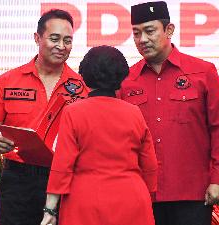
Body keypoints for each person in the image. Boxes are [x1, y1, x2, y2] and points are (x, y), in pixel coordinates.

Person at [119, 1, 219, 225]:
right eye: (136, 33)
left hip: (192, 193)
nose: (142, 40)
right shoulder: (126, 80)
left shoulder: (203, 72)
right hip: (142, 193)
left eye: (150, 31)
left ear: (169, 30)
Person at [0, 9, 89, 225]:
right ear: (37, 38)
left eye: (68, 40)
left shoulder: (82, 87)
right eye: (54, 38)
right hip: (19, 180)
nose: (61, 46)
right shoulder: (8, 81)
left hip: (67, 178)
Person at [40, 45, 158, 225]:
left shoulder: (74, 112)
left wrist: (50, 209)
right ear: (121, 76)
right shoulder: (134, 112)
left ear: (85, 76)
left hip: (85, 201)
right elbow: (149, 163)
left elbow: (63, 165)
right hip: (131, 200)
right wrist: (147, 194)